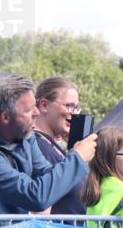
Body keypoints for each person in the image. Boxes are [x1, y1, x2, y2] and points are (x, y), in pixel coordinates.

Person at [0, 73, 95, 221]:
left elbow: (46, 174)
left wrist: (75, 159)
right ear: (5, 117)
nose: (36, 112)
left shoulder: (24, 137)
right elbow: (35, 196)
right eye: (28, 110)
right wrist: (77, 158)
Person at [33, 77, 86, 214]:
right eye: (69, 106)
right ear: (44, 105)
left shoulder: (50, 145)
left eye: (77, 108)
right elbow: (42, 211)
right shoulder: (37, 146)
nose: (74, 114)